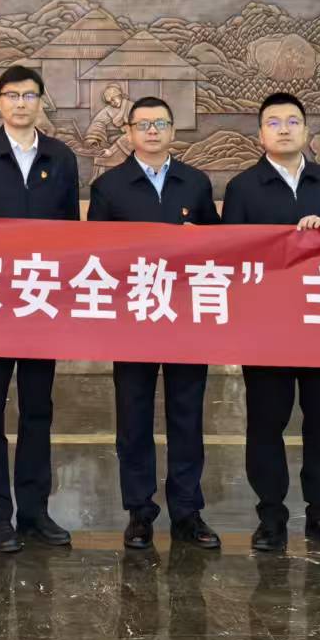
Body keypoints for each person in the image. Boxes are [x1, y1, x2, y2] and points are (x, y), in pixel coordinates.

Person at [222, 92, 320, 554]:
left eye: (292, 121)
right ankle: (271, 518)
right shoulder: (243, 188)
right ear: (260, 132)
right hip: (267, 331)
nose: (284, 129)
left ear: (306, 130)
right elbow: (233, 256)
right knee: (266, 425)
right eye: (274, 122)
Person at [0, 65, 79, 553]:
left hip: (40, 302)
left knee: (37, 409)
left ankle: (34, 511)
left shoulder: (61, 158)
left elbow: (70, 232)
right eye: (12, 95)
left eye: (29, 95)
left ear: (41, 101)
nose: (21, 103)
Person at [87, 95, 221, 551]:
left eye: (160, 124)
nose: (151, 131)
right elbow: (96, 256)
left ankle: (187, 511)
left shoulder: (195, 183)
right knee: (134, 417)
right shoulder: (109, 187)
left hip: (185, 318)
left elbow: (217, 246)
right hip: (133, 319)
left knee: (187, 415)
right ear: (128, 132)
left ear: (172, 131)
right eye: (142, 124)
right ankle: (139, 512)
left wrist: (200, 241)